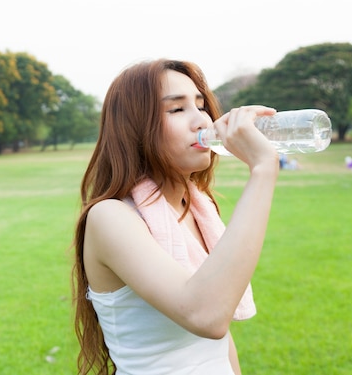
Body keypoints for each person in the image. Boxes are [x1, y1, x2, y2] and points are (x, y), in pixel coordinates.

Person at [72, 59, 280, 375]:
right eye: (176, 110)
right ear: (135, 128)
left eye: (201, 105)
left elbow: (219, 341)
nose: (202, 122)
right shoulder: (111, 217)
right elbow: (206, 315)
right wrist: (263, 169)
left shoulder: (198, 208)